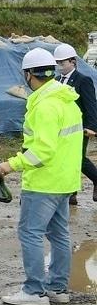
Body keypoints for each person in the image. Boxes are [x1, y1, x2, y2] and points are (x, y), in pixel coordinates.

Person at [0, 48, 84, 305]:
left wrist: (11, 165)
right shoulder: (67, 101)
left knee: (30, 233)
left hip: (44, 182)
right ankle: (57, 288)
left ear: (28, 74)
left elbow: (43, 150)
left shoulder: (45, 105)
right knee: (59, 234)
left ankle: (34, 291)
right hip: (65, 180)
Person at [53, 42, 97, 204]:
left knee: (77, 158)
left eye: (62, 63)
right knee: (65, 159)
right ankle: (70, 193)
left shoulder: (82, 80)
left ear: (73, 62)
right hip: (62, 128)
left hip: (79, 127)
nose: (59, 66)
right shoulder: (57, 81)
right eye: (57, 63)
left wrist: (91, 127)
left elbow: (91, 105)